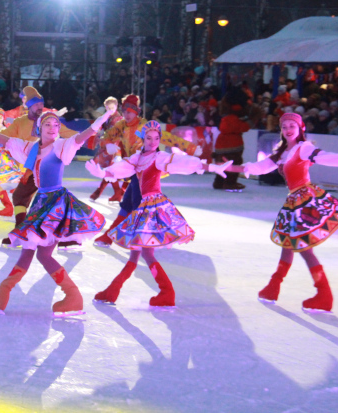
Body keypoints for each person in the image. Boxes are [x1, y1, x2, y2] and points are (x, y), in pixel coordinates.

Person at [0, 108, 115, 316]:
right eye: (48, 125)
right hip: (41, 203)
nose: (53, 128)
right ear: (39, 128)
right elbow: (7, 140)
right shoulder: (31, 148)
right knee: (30, 251)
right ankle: (3, 295)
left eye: (56, 125)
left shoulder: (61, 146)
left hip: (56, 204)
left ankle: (71, 296)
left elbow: (81, 137)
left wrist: (102, 120)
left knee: (43, 254)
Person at [228, 113, 338, 312]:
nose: (287, 129)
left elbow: (325, 157)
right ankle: (273, 286)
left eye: (291, 126)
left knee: (303, 248)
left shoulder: (304, 148)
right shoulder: (282, 152)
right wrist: (230, 167)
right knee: (288, 244)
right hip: (294, 202)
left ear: (300, 128)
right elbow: (259, 167)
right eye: (284, 126)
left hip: (306, 201)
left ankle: (323, 294)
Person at [86, 120, 230, 306]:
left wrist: (210, 167)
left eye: (156, 138)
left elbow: (183, 163)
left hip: (154, 209)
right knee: (135, 255)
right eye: (149, 138)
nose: (153, 141)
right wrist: (103, 173)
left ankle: (166, 292)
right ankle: (112, 291)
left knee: (146, 254)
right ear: (143, 139)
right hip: (143, 208)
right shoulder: (137, 158)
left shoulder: (159, 157)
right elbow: (121, 169)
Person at [93, 94, 201, 247]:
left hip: (146, 170)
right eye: (124, 111)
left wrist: (192, 148)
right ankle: (114, 236)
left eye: (130, 111)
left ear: (137, 112)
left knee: (136, 205)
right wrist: (107, 143)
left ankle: (133, 238)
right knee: (130, 205)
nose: (126, 114)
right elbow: (107, 136)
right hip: (133, 169)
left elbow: (168, 138)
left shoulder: (144, 126)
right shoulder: (122, 125)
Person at [0, 86, 78, 247]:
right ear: (28, 106)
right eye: (36, 104)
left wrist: (87, 139)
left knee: (32, 199)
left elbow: (67, 132)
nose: (40, 107)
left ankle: (24, 233)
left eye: (41, 104)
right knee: (38, 200)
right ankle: (64, 236)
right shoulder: (20, 122)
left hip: (46, 167)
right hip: (32, 167)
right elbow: (6, 136)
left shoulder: (48, 119)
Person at [88, 97, 124, 202]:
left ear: (116, 106)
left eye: (112, 106)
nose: (110, 109)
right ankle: (116, 193)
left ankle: (100, 192)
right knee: (109, 171)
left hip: (114, 148)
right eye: (108, 107)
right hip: (108, 147)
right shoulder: (108, 116)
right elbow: (102, 128)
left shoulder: (117, 119)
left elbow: (115, 135)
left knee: (110, 170)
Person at [213, 104, 251, 192]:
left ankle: (219, 182)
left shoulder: (224, 119)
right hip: (233, 145)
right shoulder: (235, 119)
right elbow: (244, 127)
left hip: (220, 144)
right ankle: (230, 183)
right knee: (234, 163)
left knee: (221, 164)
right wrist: (250, 121)